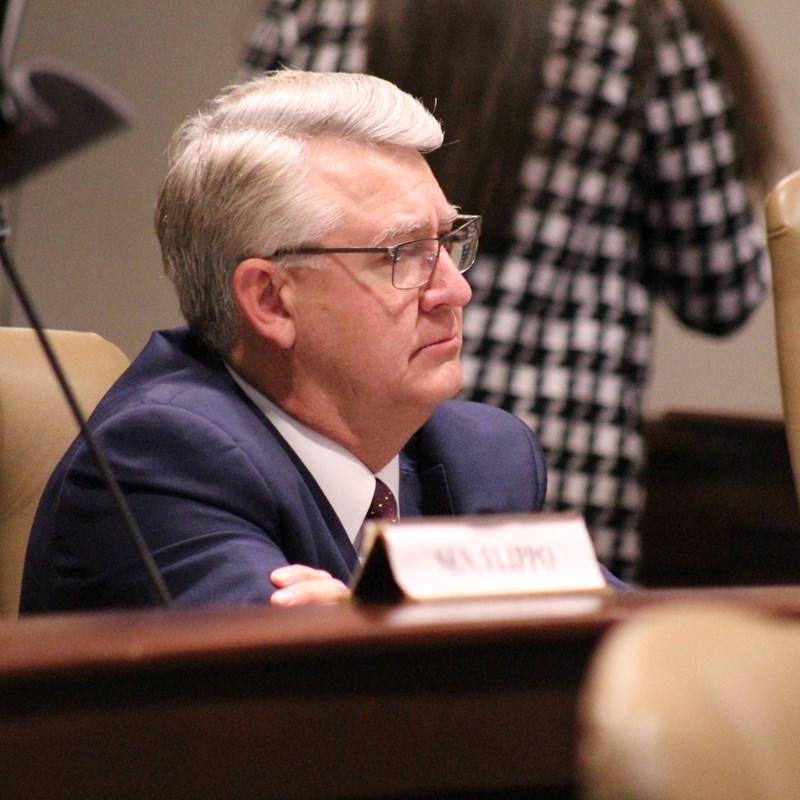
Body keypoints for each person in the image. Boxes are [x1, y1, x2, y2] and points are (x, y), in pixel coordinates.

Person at [21, 70, 624, 614]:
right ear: (271, 300)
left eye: (448, 241)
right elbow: (293, 710)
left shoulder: (481, 459)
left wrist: (372, 630)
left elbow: (643, 648)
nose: (453, 292)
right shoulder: (163, 457)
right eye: (403, 253)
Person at [239, 0, 783, 581]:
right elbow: (719, 287)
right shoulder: (633, 20)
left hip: (346, 449)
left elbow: (232, 205)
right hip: (570, 452)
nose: (455, 289)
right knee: (541, 667)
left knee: (346, 655)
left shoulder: (316, 11)